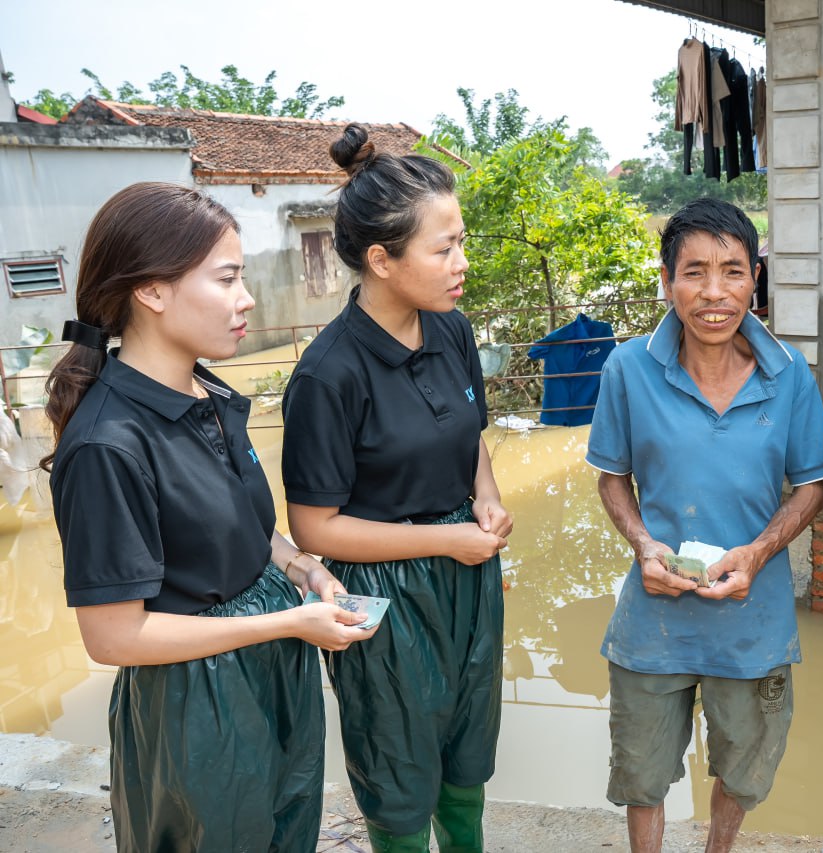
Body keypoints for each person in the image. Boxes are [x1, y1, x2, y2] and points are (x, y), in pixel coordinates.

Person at [44, 182, 374, 852]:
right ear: (152, 290)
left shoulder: (207, 391)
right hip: (196, 701)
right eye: (227, 279)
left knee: (289, 831)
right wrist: (289, 622)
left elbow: (237, 523)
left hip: (270, 669)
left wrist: (301, 566)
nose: (246, 298)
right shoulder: (109, 445)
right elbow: (113, 637)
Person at [280, 124, 511, 853]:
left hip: (467, 572)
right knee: (399, 770)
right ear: (381, 259)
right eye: (444, 249)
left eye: (461, 242)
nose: (462, 263)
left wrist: (486, 495)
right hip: (386, 593)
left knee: (467, 752)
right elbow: (314, 528)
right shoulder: (328, 375)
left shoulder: (453, 330)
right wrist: (447, 541)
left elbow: (468, 432)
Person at [587, 197, 823, 853]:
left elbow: (811, 486)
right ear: (667, 280)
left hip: (753, 621)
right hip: (654, 618)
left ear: (755, 278)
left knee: (743, 769)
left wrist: (758, 551)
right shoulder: (628, 369)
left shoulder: (790, 375)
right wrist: (644, 544)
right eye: (694, 272)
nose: (714, 293)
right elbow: (612, 477)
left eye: (732, 271)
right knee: (642, 774)